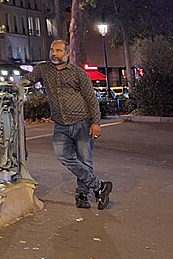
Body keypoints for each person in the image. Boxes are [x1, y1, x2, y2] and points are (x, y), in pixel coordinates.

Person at [20, 39, 113, 209]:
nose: (54, 53)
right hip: (61, 124)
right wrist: (15, 84)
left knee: (85, 160)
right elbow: (29, 78)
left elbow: (91, 99)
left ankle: (82, 195)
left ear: (67, 53)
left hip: (82, 122)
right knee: (63, 156)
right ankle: (100, 186)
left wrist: (96, 122)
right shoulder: (44, 69)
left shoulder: (78, 73)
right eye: (52, 50)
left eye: (59, 51)